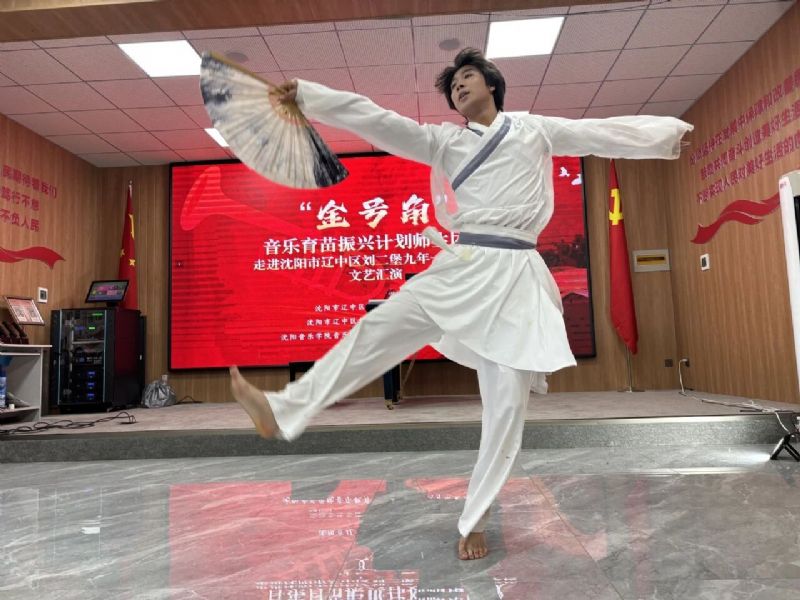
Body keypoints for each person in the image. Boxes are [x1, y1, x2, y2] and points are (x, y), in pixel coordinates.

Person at [230, 47, 693, 561]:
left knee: (506, 408)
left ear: (492, 84)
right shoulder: (445, 142)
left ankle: (475, 520)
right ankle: (283, 409)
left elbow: (596, 133)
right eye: (453, 86)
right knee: (379, 328)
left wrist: (666, 134)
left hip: (516, 274)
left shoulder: (534, 129)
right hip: (464, 262)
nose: (459, 87)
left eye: (467, 77)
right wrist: (311, 96)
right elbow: (377, 120)